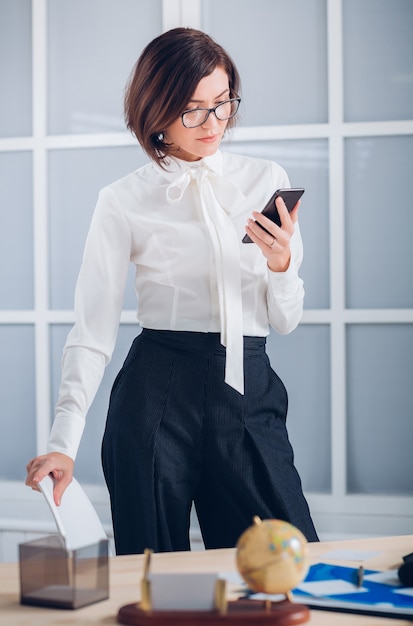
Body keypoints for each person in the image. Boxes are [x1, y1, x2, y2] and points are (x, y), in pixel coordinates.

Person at [26, 27, 319, 554]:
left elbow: (286, 319)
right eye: (192, 109)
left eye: (222, 103)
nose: (213, 123)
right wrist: (62, 445)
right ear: (156, 110)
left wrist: (281, 266)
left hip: (247, 390)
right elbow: (92, 330)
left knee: (289, 565)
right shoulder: (122, 200)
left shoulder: (265, 177)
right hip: (156, 394)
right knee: (153, 575)